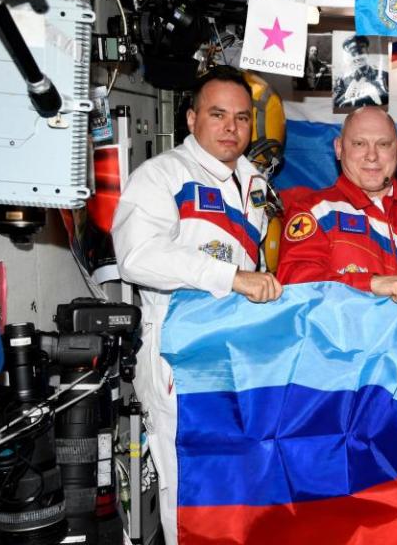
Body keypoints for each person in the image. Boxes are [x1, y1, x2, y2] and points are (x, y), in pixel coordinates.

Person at [112, 65, 283, 545]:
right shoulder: (162, 176)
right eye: (217, 114)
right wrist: (229, 278)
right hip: (178, 361)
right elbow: (137, 257)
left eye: (243, 118)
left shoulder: (256, 185)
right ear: (191, 119)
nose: (231, 127)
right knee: (189, 487)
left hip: (239, 359)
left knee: (241, 485)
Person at [275, 107, 397, 303]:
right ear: (339, 148)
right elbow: (295, 282)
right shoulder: (313, 211)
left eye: (383, 144)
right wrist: (371, 284)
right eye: (359, 144)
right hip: (347, 333)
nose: (372, 156)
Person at [333, 35, 389, 108]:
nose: (358, 56)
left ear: (367, 52)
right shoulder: (343, 81)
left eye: (361, 51)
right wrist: (346, 95)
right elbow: (336, 105)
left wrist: (376, 89)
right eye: (353, 53)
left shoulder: (385, 76)